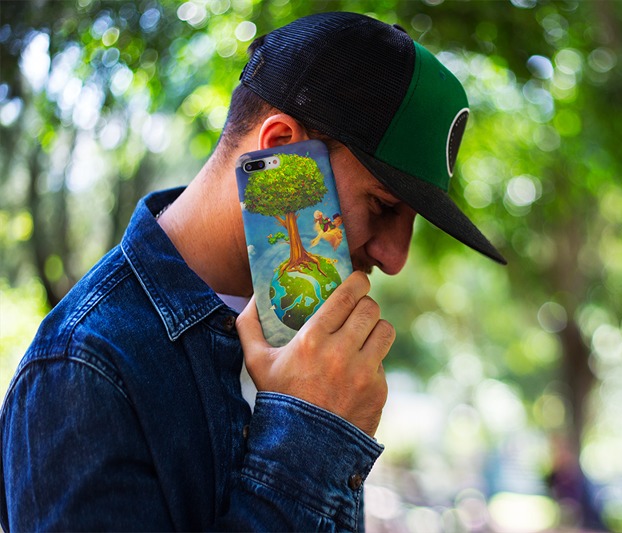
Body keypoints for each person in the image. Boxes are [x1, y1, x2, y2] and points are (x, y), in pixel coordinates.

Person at [0, 12, 506, 532]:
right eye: (382, 205)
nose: (395, 258)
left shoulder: (305, 338)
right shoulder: (82, 369)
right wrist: (309, 433)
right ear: (281, 149)